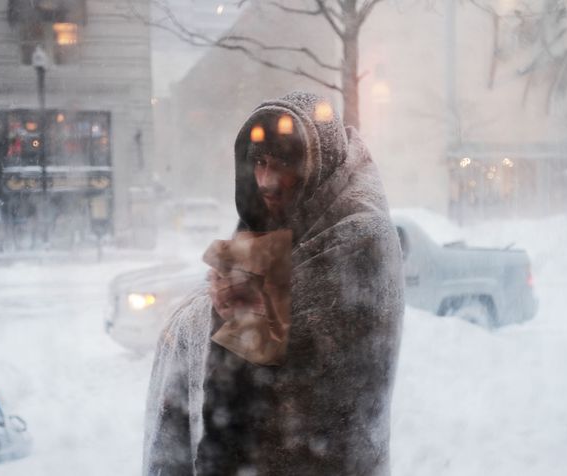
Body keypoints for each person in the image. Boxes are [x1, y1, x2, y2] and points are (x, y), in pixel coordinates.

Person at [143, 91, 404, 476]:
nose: (266, 181)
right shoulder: (282, 220)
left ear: (316, 163)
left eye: (283, 164)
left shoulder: (359, 236)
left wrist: (225, 307)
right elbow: (239, 342)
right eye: (260, 163)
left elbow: (284, 363)